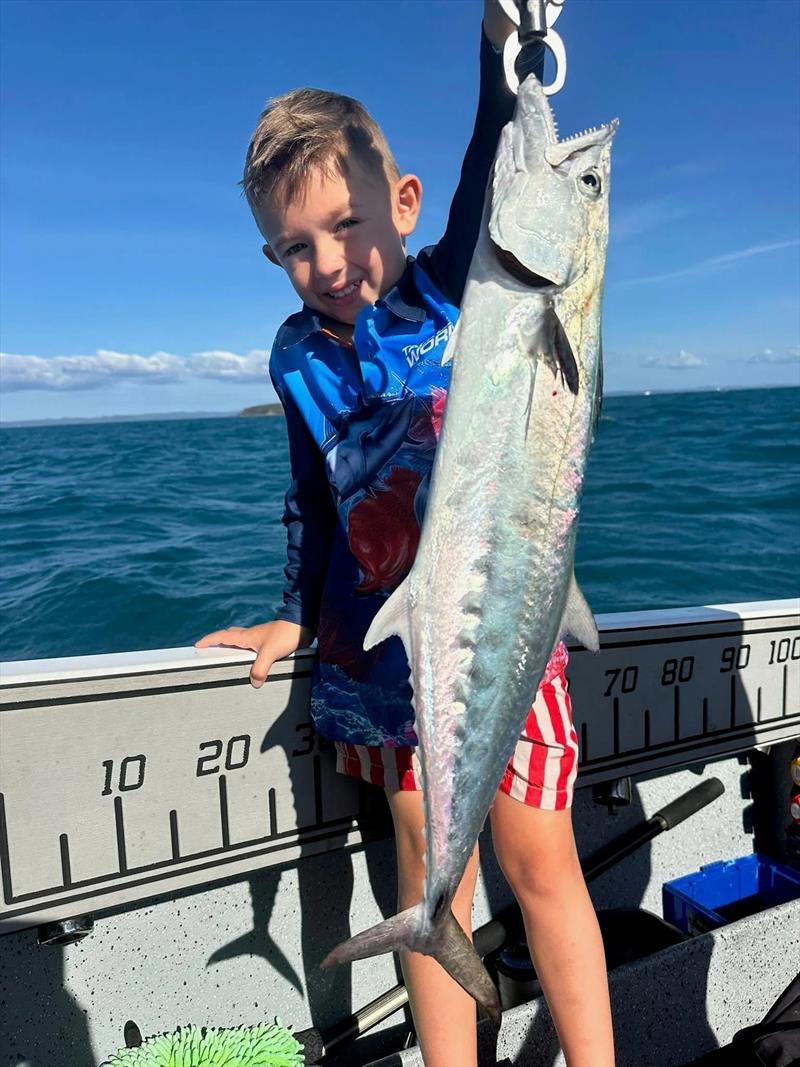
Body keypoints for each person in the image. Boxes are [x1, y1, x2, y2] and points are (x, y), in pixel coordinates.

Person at [196, 2, 615, 1064]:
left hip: (503, 636)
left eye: (347, 225)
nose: (328, 262)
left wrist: (496, 46)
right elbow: (312, 496)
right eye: (294, 246)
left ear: (404, 205)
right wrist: (297, 617)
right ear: (268, 255)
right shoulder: (295, 358)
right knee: (426, 858)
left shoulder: (447, 292)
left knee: (539, 864)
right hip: (381, 660)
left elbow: (495, 170)